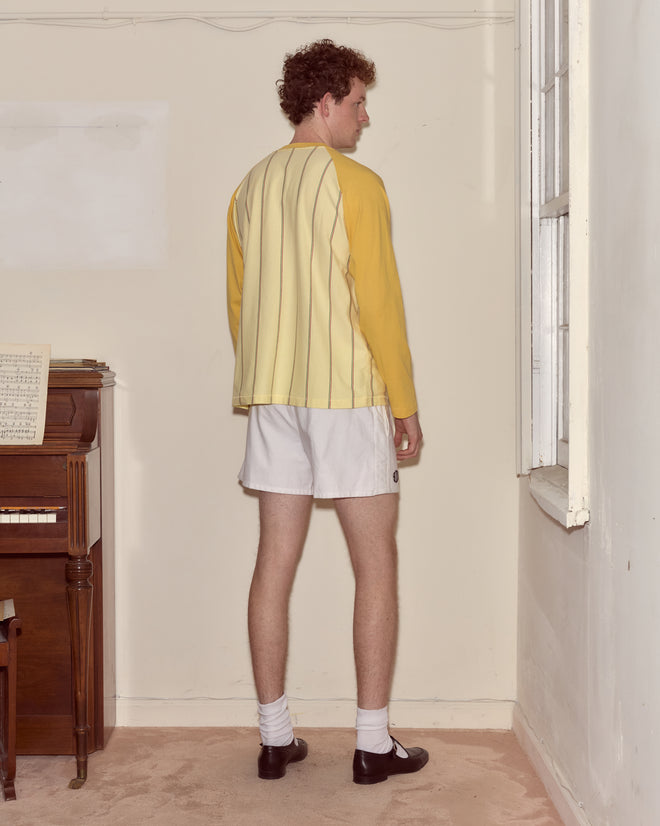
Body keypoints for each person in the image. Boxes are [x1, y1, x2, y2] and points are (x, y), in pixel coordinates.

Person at [226, 39, 427, 785]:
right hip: (345, 394)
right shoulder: (357, 184)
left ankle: (274, 738)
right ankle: (373, 746)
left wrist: (263, 379)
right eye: (359, 101)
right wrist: (402, 403)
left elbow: (240, 307)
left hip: (273, 395)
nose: (365, 117)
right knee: (375, 564)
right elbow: (379, 302)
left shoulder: (249, 187)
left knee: (273, 562)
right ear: (325, 103)